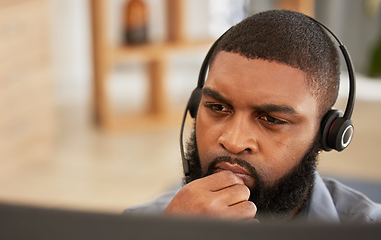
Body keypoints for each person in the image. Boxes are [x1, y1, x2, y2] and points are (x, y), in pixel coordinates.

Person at [124, 10, 381, 223]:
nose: (234, 142)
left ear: (326, 135)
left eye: (271, 119)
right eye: (217, 107)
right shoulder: (144, 225)